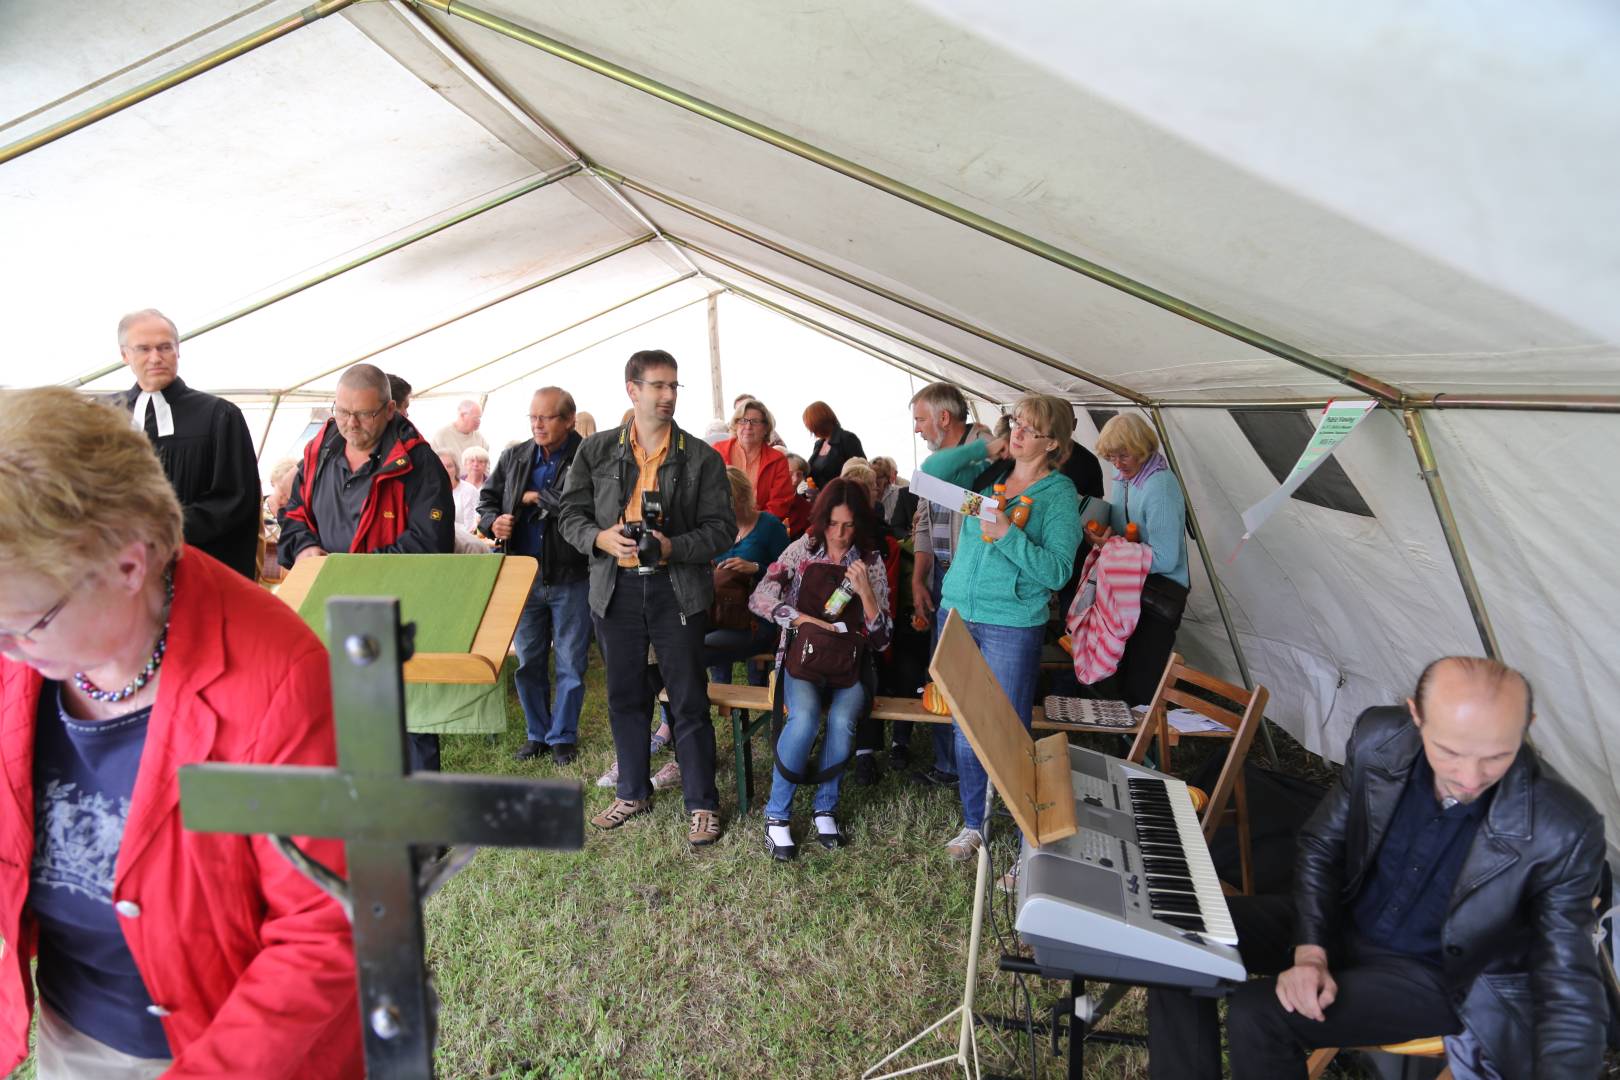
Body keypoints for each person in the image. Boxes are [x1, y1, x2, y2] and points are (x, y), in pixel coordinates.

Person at [0, 386, 362, 1078]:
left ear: (130, 564)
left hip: (233, 1049)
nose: (9, 650)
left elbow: (323, 924)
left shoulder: (279, 678)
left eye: (25, 625)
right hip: (79, 1034)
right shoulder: (23, 641)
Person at [1147, 658, 1606, 1080]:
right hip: (1343, 922)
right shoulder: (1380, 740)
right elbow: (1322, 845)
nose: (1470, 777)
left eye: (1496, 756)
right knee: (1180, 940)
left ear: (1526, 726)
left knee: (1258, 1012)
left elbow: (1568, 980)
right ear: (1416, 715)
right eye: (1449, 752)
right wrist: (1311, 950)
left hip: (1439, 977)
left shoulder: (1562, 825)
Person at [557, 349, 735, 847]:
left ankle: (702, 803)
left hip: (675, 587)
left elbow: (721, 530)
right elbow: (569, 515)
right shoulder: (595, 451)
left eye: (674, 386)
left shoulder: (700, 456)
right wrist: (600, 538)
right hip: (614, 586)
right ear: (632, 389)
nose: (668, 396)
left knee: (688, 699)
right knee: (623, 695)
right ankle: (632, 791)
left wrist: (675, 545)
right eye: (658, 385)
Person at [918, 394, 1081, 859]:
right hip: (958, 614)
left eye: (1031, 429)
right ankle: (975, 824)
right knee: (965, 727)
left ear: (1053, 444)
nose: (1019, 433)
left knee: (1005, 731)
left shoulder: (1059, 495)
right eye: (1017, 423)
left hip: (1011, 622)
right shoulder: (990, 476)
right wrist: (980, 449)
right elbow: (928, 477)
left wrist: (1009, 535)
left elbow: (1056, 572)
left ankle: (1017, 833)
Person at [278, 363, 453, 772]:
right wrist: (303, 551)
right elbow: (294, 515)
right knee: (332, 716)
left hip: (394, 612)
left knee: (409, 721)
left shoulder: (417, 461)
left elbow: (430, 545)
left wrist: (350, 571)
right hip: (326, 607)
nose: (350, 423)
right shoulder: (319, 448)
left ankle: (420, 824)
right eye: (341, 412)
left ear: (391, 409)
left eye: (364, 414)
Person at [748, 479, 891, 859]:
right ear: (821, 520)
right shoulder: (802, 551)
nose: (841, 535)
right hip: (803, 657)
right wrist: (799, 620)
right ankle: (777, 815)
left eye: (849, 526)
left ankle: (825, 807)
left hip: (850, 663)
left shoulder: (871, 562)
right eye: (833, 524)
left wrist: (867, 595)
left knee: (844, 718)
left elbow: (884, 639)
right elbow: (759, 597)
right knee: (806, 717)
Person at [480, 388, 590, 767]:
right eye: (533, 417)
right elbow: (487, 501)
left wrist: (533, 498)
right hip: (522, 574)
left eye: (546, 417)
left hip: (571, 573)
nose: (538, 425)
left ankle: (563, 736)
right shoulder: (514, 455)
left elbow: (583, 507)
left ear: (569, 419)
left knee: (571, 661)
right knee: (528, 661)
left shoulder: (586, 455)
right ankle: (536, 733)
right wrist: (493, 521)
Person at [113, 309, 261, 581]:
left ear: (178, 350)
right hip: (120, 572)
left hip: (195, 570)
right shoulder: (104, 416)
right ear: (125, 355)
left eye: (164, 347)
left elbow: (235, 499)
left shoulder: (218, 415)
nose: (156, 357)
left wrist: (162, 530)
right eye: (144, 349)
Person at [899, 381, 988, 782]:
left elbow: (980, 510)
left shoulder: (986, 451)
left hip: (975, 584)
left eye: (920, 420)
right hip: (941, 579)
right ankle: (948, 764)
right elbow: (923, 523)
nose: (917, 429)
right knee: (942, 672)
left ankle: (975, 765)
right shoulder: (938, 459)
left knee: (971, 677)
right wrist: (919, 579)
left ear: (944, 418)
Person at [1087, 414, 1189, 706]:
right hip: (1129, 589)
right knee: (1120, 675)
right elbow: (1124, 533)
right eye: (1111, 457)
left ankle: (1146, 747)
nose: (1117, 464)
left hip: (1158, 594)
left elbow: (1166, 558)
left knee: (1142, 683)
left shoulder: (1161, 486)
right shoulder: (1125, 479)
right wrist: (1106, 536)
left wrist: (1115, 549)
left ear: (1143, 448)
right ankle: (1125, 741)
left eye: (1124, 455)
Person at [713, 398, 795, 522]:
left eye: (755, 421)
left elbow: (779, 504)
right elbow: (707, 493)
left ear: (766, 428)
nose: (748, 426)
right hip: (721, 524)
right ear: (735, 424)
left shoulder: (778, 460)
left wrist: (753, 527)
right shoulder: (717, 451)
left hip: (759, 528)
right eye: (743, 420)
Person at [802, 401, 865, 489]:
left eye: (809, 424)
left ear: (819, 421)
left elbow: (861, 472)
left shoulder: (848, 439)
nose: (809, 429)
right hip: (820, 498)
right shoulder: (818, 444)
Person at [441, 450, 480, 534]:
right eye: (441, 466)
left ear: (456, 469)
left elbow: (470, 527)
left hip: (463, 541)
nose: (445, 470)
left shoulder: (469, 491)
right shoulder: (430, 492)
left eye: (449, 466)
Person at [782, 453, 813, 538]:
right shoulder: (763, 500)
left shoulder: (807, 508)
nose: (795, 479)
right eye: (790, 473)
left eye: (799, 474)